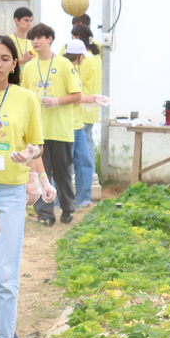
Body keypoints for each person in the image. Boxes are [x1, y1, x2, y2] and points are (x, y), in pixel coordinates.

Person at [0, 35, 53, 338]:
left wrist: (30, 155)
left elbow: (38, 145)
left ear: (14, 64)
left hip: (9, 192)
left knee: (5, 270)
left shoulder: (26, 99)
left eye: (5, 58)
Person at [26, 23, 82, 225]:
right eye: (33, 38)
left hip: (60, 130)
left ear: (49, 39)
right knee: (41, 173)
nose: (35, 42)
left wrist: (56, 101)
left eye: (39, 37)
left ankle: (67, 208)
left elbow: (77, 95)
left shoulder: (64, 64)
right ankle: (45, 214)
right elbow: (24, 97)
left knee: (62, 173)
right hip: (37, 132)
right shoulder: (29, 67)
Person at [71, 17, 106, 208]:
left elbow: (76, 83)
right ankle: (92, 176)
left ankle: (78, 179)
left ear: (78, 38)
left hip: (81, 107)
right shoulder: (97, 55)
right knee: (88, 143)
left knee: (78, 148)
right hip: (92, 108)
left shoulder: (83, 60)